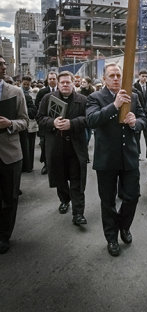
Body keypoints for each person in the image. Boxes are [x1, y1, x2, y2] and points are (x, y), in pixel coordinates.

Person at [86, 63, 146, 257]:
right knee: (108, 201)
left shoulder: (134, 96)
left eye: (118, 75)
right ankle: (111, 238)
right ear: (104, 79)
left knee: (132, 196)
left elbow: (144, 119)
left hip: (129, 155)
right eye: (111, 75)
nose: (115, 79)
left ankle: (124, 227)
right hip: (106, 158)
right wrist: (115, 106)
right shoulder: (95, 97)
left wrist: (135, 122)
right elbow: (92, 120)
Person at [37, 71, 88, 226]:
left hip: (75, 147)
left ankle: (78, 213)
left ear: (74, 83)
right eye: (62, 82)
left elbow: (89, 119)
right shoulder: (47, 99)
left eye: (68, 82)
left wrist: (72, 124)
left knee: (76, 180)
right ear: (58, 84)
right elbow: (39, 118)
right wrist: (53, 123)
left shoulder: (83, 100)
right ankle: (64, 200)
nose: (65, 85)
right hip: (56, 146)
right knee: (60, 178)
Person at [0, 55, 28, 253]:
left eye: (3, 63)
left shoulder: (16, 92)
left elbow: (24, 121)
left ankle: (4, 236)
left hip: (10, 155)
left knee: (9, 199)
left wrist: (10, 124)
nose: (3, 66)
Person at [35, 71, 58, 175]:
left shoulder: (61, 90)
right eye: (50, 79)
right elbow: (37, 108)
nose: (52, 80)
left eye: (54, 78)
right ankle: (46, 165)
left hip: (58, 123)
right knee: (44, 145)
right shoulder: (42, 92)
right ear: (47, 80)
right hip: (45, 123)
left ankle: (56, 166)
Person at [133, 69, 147, 161]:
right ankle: (136, 154)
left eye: (146, 76)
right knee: (137, 136)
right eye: (142, 76)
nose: (144, 78)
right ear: (139, 76)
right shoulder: (134, 87)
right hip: (138, 115)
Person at [20, 76, 38, 172]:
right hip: (21, 124)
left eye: (28, 84)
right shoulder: (17, 92)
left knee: (30, 146)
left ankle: (29, 166)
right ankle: (23, 165)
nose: (26, 86)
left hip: (31, 123)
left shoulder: (35, 93)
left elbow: (35, 108)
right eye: (24, 84)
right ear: (22, 83)